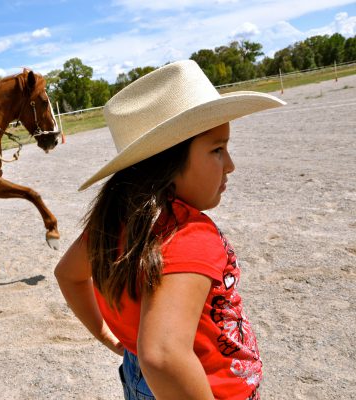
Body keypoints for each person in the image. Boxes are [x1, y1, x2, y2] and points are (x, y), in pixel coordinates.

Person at [54, 60, 285, 400]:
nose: (231, 165)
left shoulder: (116, 216)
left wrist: (108, 336)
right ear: (167, 164)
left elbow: (68, 274)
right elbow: (162, 355)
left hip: (140, 378)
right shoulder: (190, 234)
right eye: (217, 150)